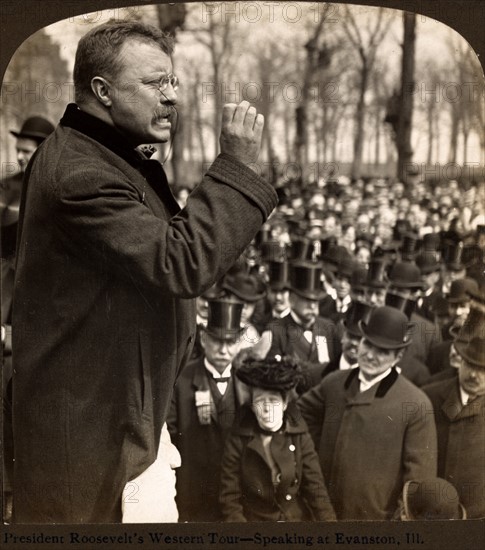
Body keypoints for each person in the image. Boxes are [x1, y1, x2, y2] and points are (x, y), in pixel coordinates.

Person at [11, 20, 277, 523]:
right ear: (102, 92)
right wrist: (237, 167)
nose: (172, 96)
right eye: (156, 83)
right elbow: (181, 262)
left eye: (173, 82)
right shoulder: (80, 173)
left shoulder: (102, 157)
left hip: (114, 422)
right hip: (89, 443)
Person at [298, 306, 437, 520]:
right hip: (321, 515)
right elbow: (300, 415)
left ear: (398, 356)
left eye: (382, 351)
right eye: (368, 344)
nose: (371, 355)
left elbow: (418, 480)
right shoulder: (334, 383)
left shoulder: (415, 404)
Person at [1, 115, 54, 522]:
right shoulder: (7, 190)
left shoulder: (56, 191)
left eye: (28, 151)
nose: (21, 157)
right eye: (18, 151)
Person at [219, 356, 336, 522]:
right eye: (260, 401)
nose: (267, 409)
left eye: (273, 401)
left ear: (284, 404)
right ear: (252, 407)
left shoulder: (299, 436)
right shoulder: (238, 439)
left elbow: (317, 491)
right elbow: (230, 499)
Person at [167, 298, 247, 522]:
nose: (223, 349)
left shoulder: (248, 383)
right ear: (203, 339)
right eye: (216, 341)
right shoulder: (181, 381)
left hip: (237, 496)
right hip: (195, 493)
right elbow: (171, 436)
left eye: (230, 342)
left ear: (240, 343)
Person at [423, 335, 485, 518]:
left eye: (482, 369)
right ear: (460, 362)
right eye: (470, 365)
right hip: (430, 511)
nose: (474, 375)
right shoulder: (428, 397)